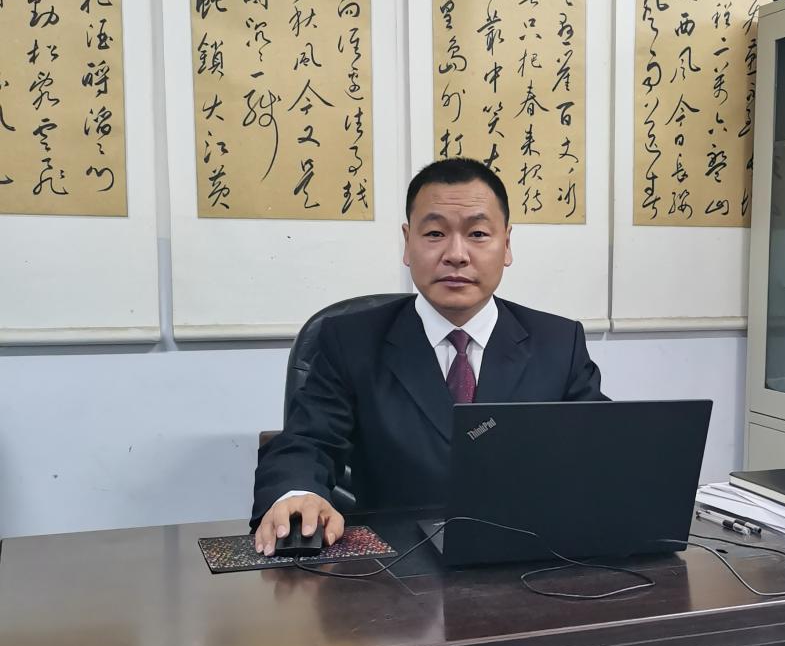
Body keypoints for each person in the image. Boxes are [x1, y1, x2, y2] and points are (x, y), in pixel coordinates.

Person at [252, 157, 605, 553]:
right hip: (394, 569)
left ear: (506, 244)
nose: (456, 254)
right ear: (408, 243)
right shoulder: (350, 341)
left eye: (478, 234)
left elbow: (603, 449)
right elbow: (307, 441)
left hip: (529, 561)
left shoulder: (558, 343)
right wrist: (297, 495)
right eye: (435, 233)